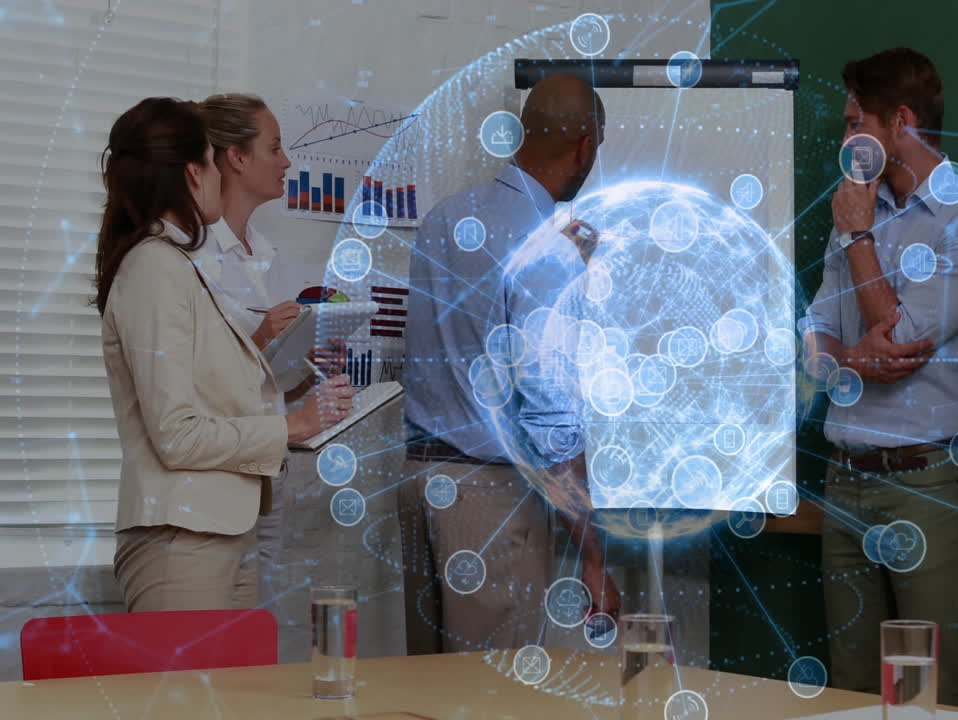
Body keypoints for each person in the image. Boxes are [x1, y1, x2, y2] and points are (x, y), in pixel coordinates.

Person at [801, 48, 958, 708]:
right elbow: (811, 341)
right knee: (853, 693)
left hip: (926, 483)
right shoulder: (856, 208)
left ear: (900, 122)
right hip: (845, 479)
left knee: (929, 698)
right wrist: (851, 359)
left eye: (853, 121)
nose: (843, 139)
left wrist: (859, 237)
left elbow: (898, 343)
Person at [96, 97, 353, 612]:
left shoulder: (173, 263)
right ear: (195, 172)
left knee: (235, 693)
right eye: (212, 162)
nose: (217, 174)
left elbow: (213, 394)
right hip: (182, 538)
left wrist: (293, 382)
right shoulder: (155, 265)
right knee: (186, 693)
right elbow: (177, 434)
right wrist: (294, 425)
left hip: (220, 529)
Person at [398, 74, 619, 654]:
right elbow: (550, 419)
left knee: (429, 693)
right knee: (493, 701)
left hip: (421, 483)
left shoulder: (445, 218)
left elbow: (452, 344)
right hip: (490, 500)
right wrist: (592, 555)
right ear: (584, 147)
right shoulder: (548, 248)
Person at [195, 92, 342, 604]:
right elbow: (192, 383)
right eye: (275, 148)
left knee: (257, 642)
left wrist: (304, 365)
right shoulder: (189, 256)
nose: (287, 162)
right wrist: (259, 339)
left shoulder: (267, 253)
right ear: (236, 157)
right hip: (215, 484)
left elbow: (264, 380)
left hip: (270, 477)